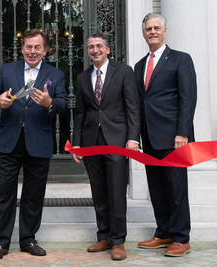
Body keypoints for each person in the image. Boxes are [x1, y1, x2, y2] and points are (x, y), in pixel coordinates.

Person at [0, 29, 68, 260]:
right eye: (28, 47)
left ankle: (28, 239)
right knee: (5, 193)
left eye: (37, 47)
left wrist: (50, 103)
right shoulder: (7, 70)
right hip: (9, 141)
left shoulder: (56, 75)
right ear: (22, 49)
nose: (32, 51)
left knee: (34, 194)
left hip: (38, 142)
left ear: (45, 50)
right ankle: (1, 243)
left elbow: (63, 104)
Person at [72, 33, 141, 261]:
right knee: (99, 191)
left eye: (99, 46)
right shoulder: (82, 78)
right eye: (91, 47)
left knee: (116, 191)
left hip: (118, 141)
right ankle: (103, 236)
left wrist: (133, 138)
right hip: (92, 141)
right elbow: (80, 113)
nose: (95, 50)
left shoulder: (124, 72)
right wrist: (77, 142)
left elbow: (132, 107)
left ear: (108, 49)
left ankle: (118, 240)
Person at [134, 13, 197, 257]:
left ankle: (182, 238)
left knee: (176, 187)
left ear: (164, 31)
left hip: (174, 138)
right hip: (149, 137)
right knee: (157, 188)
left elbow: (187, 98)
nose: (152, 32)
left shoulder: (181, 59)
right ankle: (164, 233)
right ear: (143, 33)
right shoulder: (140, 65)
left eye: (156, 28)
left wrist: (183, 132)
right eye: (148, 28)